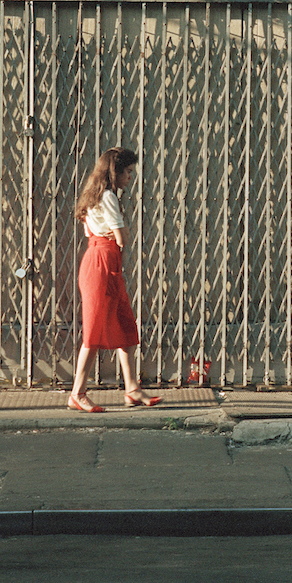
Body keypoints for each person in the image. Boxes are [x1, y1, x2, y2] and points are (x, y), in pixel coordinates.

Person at [67, 146, 162, 413]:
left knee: (124, 325)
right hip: (103, 262)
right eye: (128, 172)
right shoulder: (108, 197)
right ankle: (78, 393)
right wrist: (119, 234)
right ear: (115, 172)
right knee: (95, 332)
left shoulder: (93, 196)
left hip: (97, 258)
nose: (131, 177)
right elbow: (122, 236)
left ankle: (132, 389)